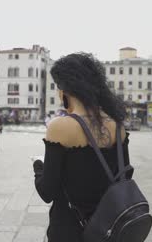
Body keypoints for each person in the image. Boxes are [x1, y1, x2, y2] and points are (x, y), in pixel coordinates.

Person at [32, 53, 132, 241]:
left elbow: (47, 191)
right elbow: (124, 176)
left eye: (57, 87)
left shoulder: (59, 127)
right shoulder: (117, 126)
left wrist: (38, 166)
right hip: (109, 228)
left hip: (69, 229)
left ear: (66, 90)